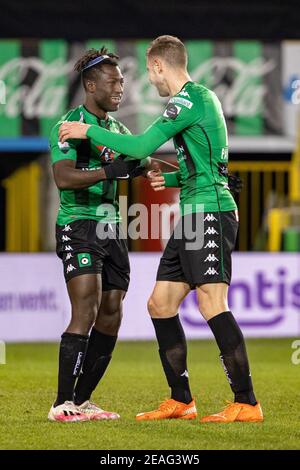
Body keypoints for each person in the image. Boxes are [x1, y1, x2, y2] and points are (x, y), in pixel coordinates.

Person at [59, 35, 263, 423]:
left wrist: (89, 132)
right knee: (160, 304)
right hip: (192, 211)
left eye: (149, 74)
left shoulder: (190, 99)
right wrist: (171, 183)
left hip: (210, 211)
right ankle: (181, 400)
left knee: (211, 303)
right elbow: (196, 167)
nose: (149, 83)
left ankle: (247, 402)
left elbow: (138, 147)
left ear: (157, 66)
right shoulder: (197, 102)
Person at [48, 47, 149, 422]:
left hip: (112, 227)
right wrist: (112, 172)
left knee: (111, 313)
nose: (121, 87)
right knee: (86, 308)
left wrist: (193, 173)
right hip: (79, 223)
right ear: (91, 85)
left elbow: (143, 159)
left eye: (122, 80)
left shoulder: (117, 129)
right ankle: (61, 403)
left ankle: (82, 399)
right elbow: (63, 177)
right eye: (113, 81)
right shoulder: (69, 125)